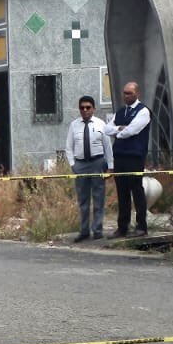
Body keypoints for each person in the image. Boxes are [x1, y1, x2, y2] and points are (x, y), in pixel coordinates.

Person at [105, 81, 152, 237]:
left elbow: (133, 130)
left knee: (137, 191)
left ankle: (141, 226)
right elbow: (107, 129)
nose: (126, 96)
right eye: (124, 93)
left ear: (137, 94)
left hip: (134, 156)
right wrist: (120, 128)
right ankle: (122, 227)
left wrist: (118, 132)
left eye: (129, 93)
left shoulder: (143, 111)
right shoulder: (120, 112)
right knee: (122, 192)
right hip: (120, 156)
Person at [65, 95, 114, 241]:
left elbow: (107, 147)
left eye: (88, 107)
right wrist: (73, 165)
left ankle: (97, 230)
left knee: (98, 198)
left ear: (93, 109)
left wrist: (110, 167)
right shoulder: (74, 125)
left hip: (97, 163)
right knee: (83, 200)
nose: (85, 110)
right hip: (80, 165)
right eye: (82, 108)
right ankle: (84, 231)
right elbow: (68, 147)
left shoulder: (101, 124)